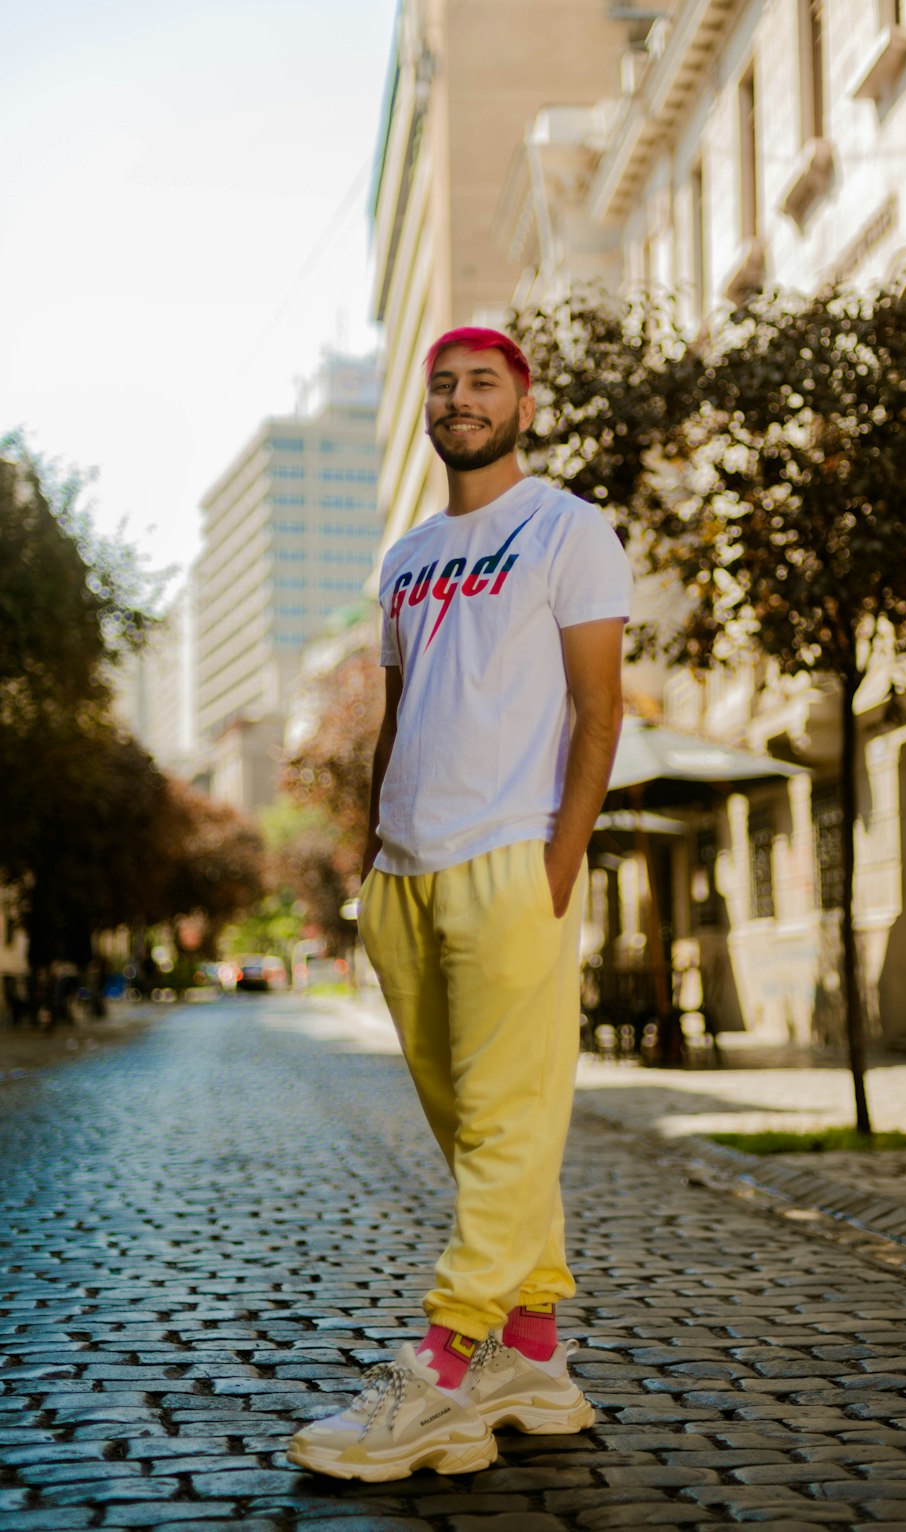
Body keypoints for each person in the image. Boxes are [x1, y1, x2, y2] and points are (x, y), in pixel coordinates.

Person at [288, 326, 632, 1483]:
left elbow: (598, 705)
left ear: (523, 402)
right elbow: (398, 711)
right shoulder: (407, 554)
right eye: (443, 383)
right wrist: (372, 862)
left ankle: (441, 1371)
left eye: (483, 382)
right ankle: (532, 1352)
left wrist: (558, 862)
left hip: (508, 857)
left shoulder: (567, 527)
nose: (458, 398)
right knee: (471, 1128)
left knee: (508, 1122)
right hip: (405, 872)